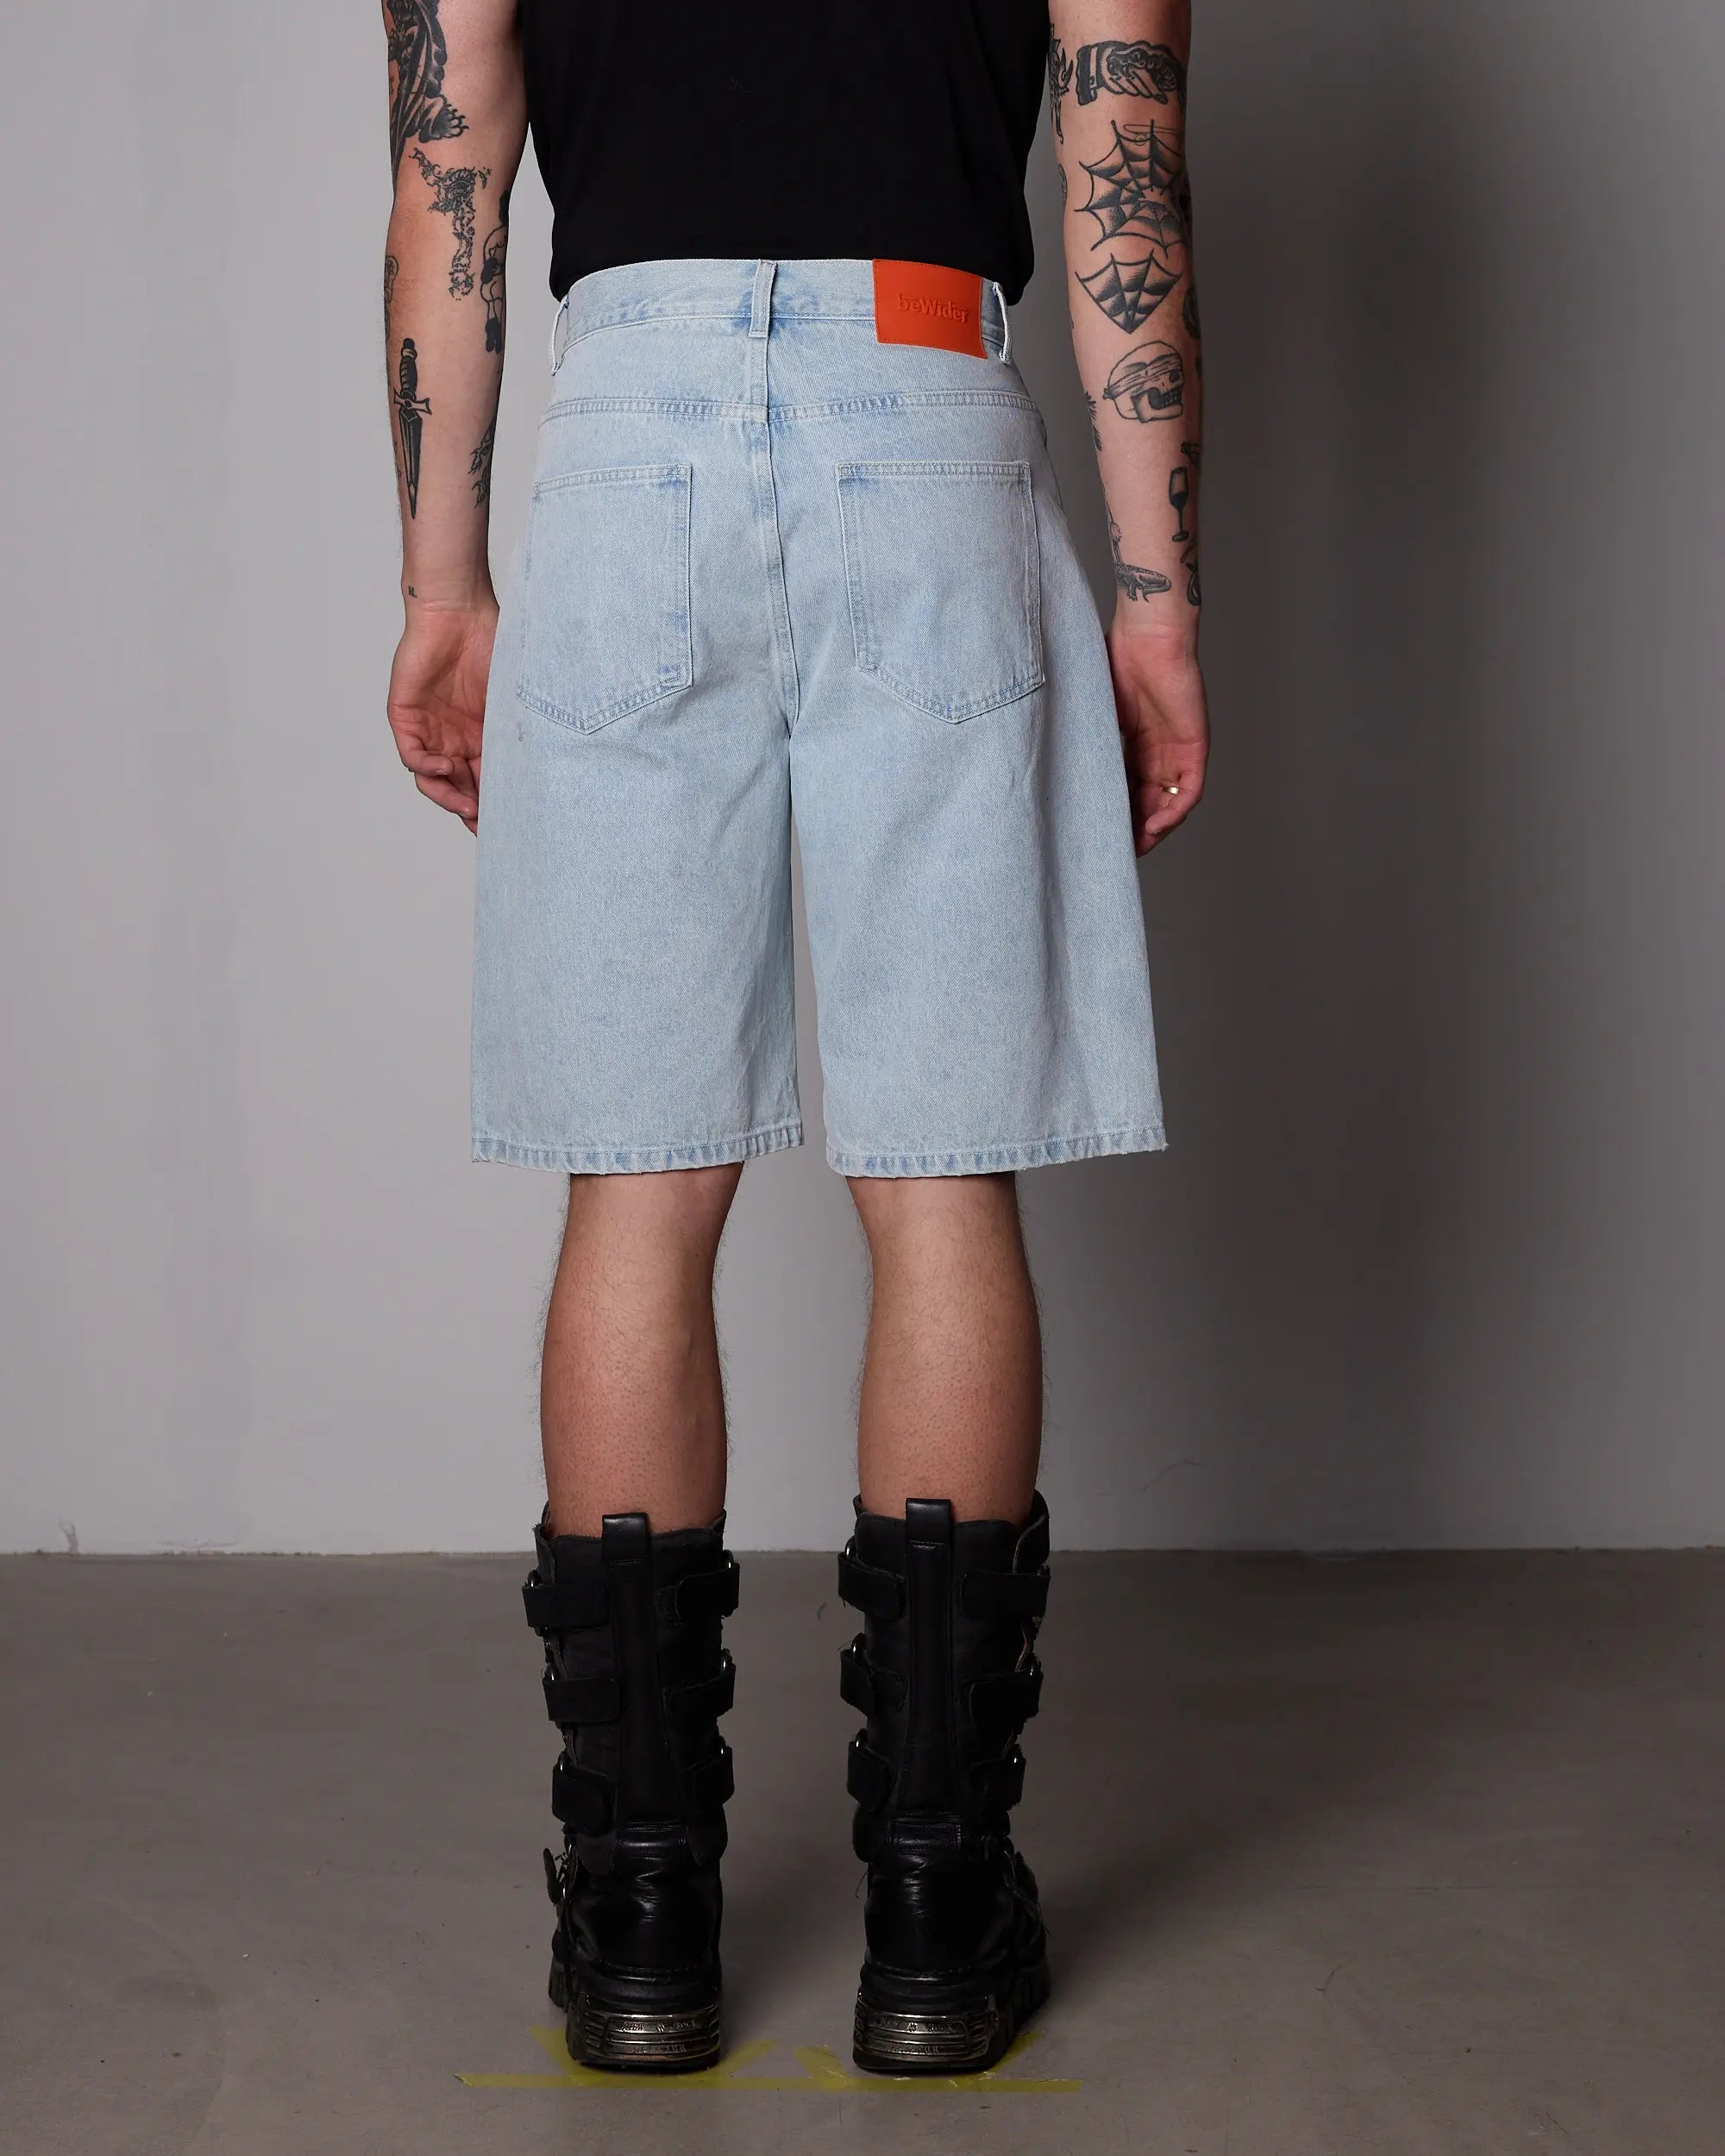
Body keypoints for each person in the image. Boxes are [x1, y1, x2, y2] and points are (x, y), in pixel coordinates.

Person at [380, 0, 1208, 2078]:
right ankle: (934, 1911)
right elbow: (1125, 183)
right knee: (939, 1184)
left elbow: (444, 181)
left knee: (637, 1188)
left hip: (629, 430)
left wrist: (441, 579)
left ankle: (638, 1922)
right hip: (926, 416)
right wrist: (1154, 596)